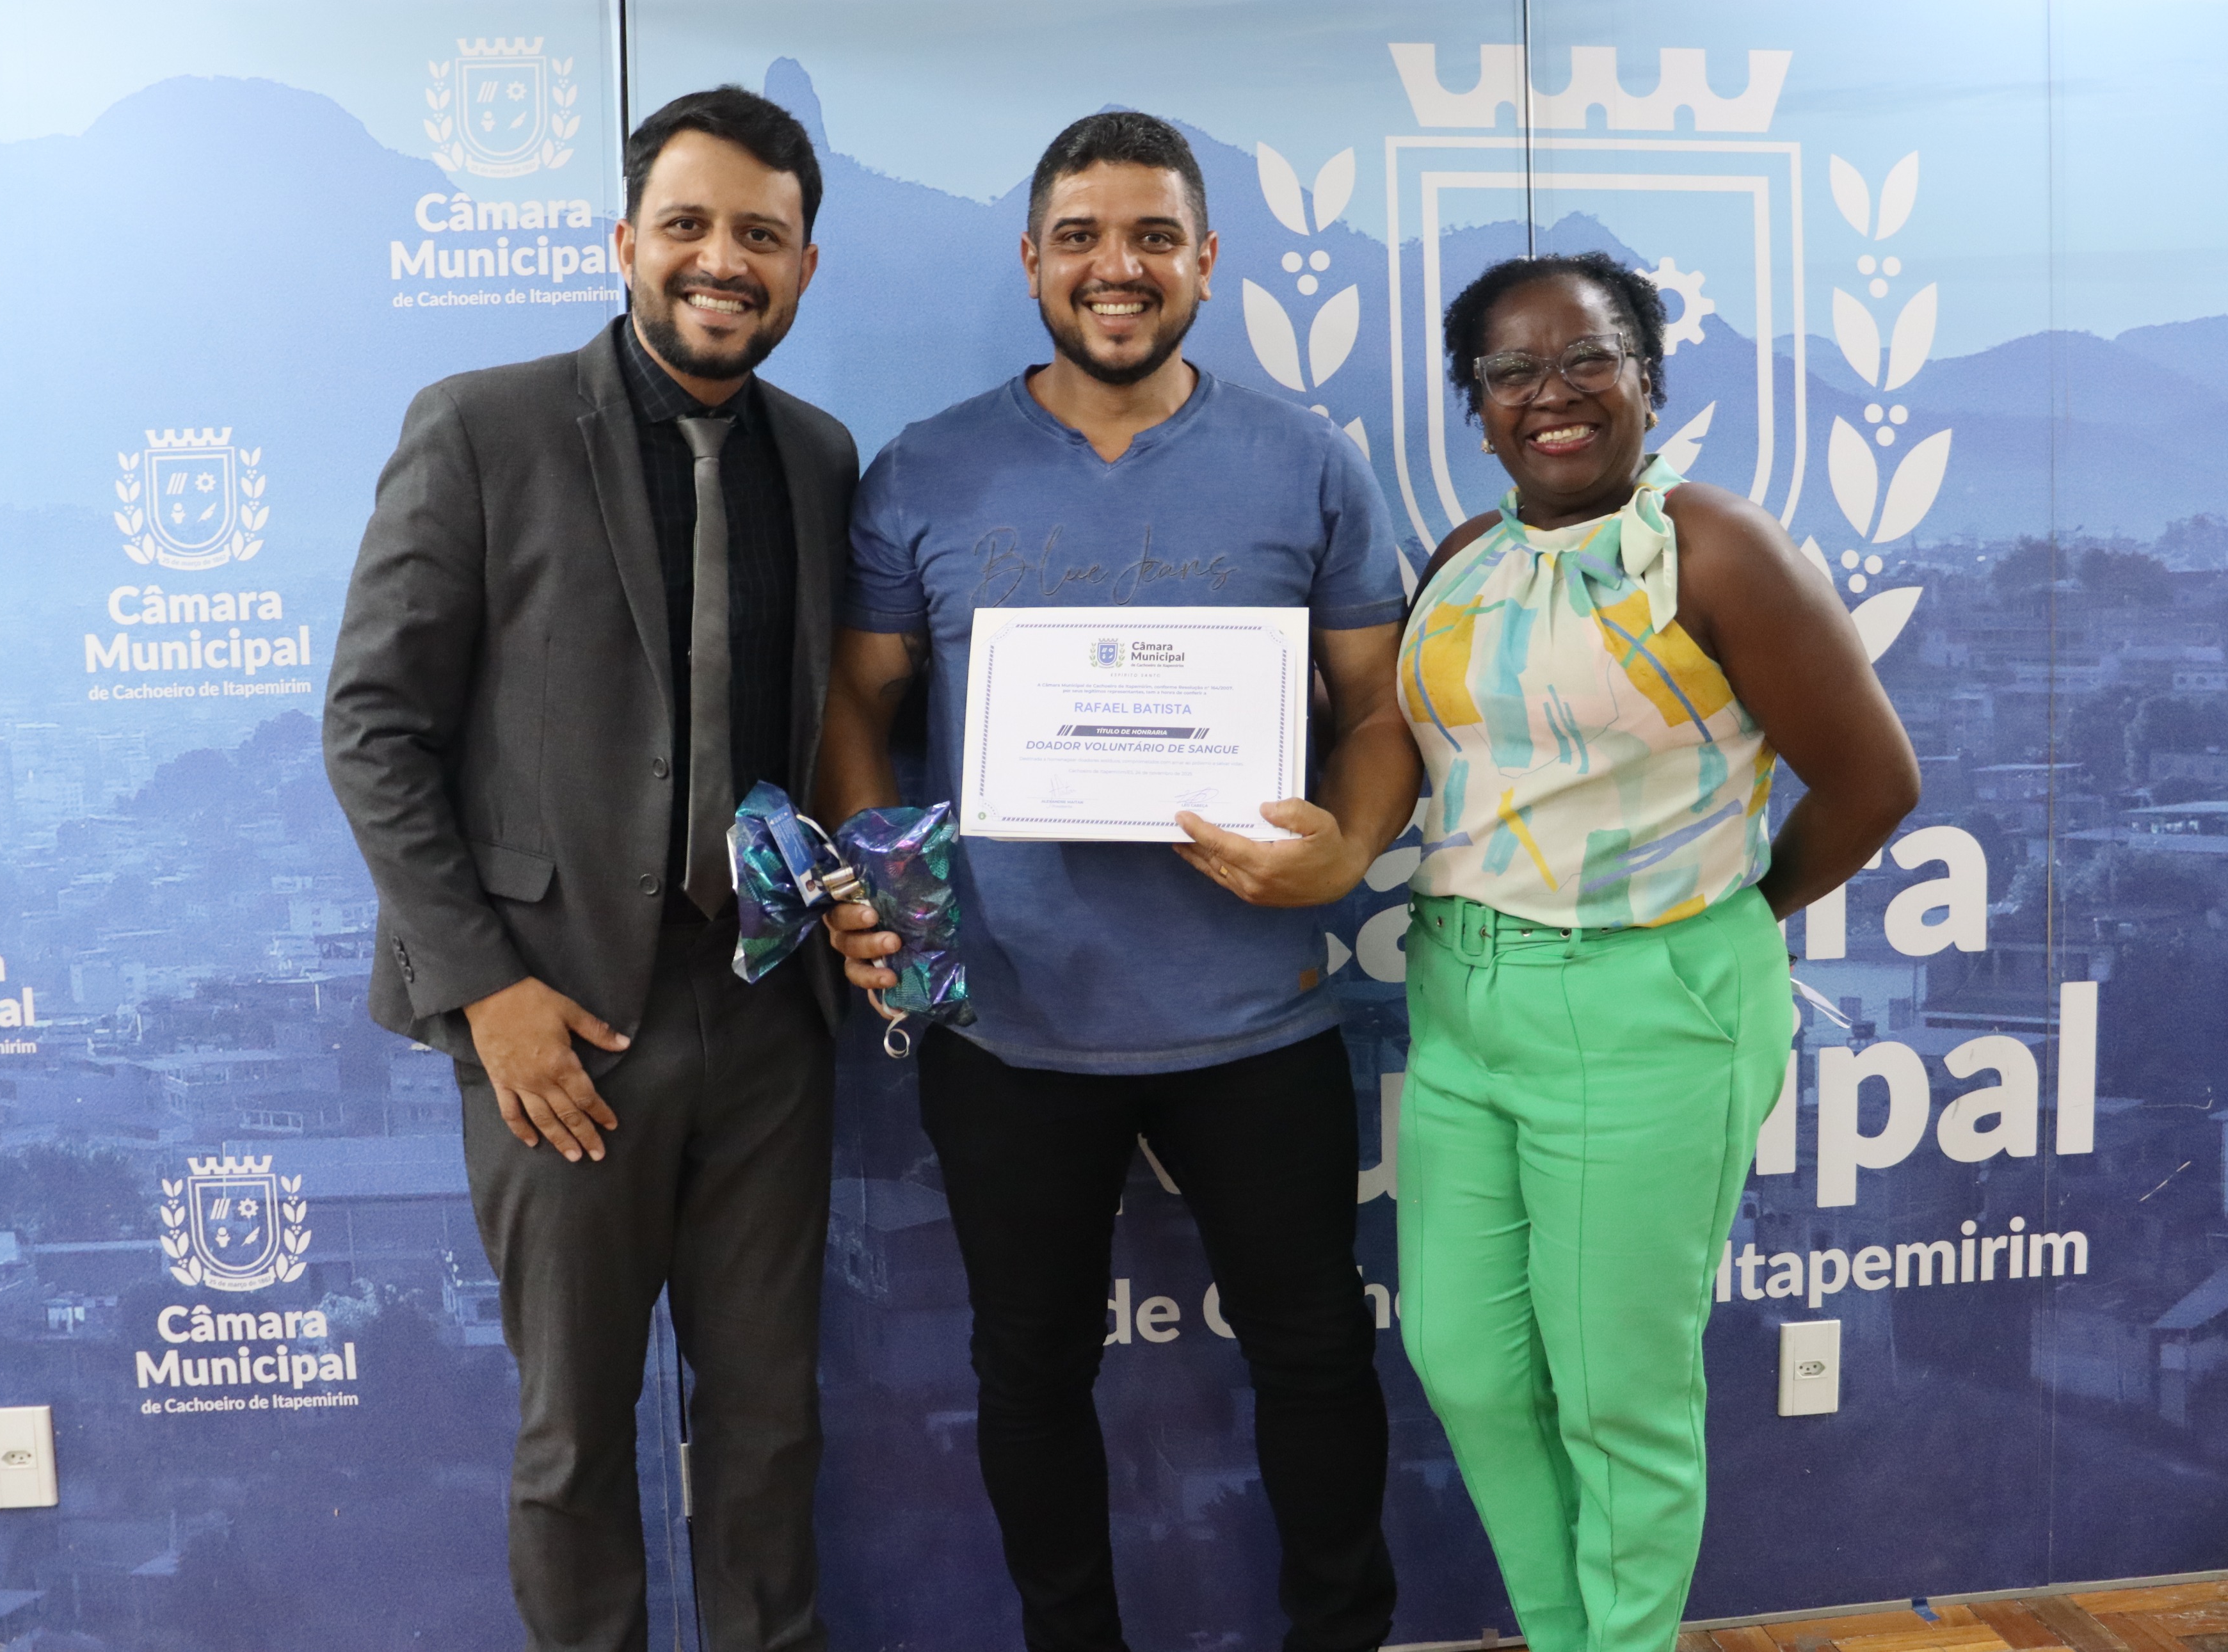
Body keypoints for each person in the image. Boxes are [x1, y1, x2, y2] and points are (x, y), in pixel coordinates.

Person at [817, 111, 1416, 1652]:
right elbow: (855, 706)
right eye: (1080, 236)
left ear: (1205, 262)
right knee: (1027, 1371)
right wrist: (885, 886)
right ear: (1032, 261)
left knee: (1313, 1356)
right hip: (1008, 1025)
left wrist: (1349, 847)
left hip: (1259, 1015)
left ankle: (1338, 1635)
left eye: (1153, 236)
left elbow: (1377, 711)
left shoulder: (1307, 463)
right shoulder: (923, 470)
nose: (1117, 266)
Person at [323, 86, 854, 1652]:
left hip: (767, 1010)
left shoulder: (820, 457)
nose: (721, 260)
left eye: (759, 234)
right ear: (625, 242)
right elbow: (371, 728)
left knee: (770, 1426)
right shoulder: (481, 428)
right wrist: (488, 995)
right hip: (557, 1021)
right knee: (573, 1436)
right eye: (687, 224)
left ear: (803, 265)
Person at [1393, 250, 1921, 1652]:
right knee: (1468, 1365)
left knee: (1618, 1395)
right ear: (1476, 405)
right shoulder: (1465, 558)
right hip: (1462, 1000)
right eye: (1511, 371)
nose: (1552, 393)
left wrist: (1719, 923)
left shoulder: (1717, 548)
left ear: (1647, 379)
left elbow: (1873, 783)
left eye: (1588, 358)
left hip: (1647, 1004)